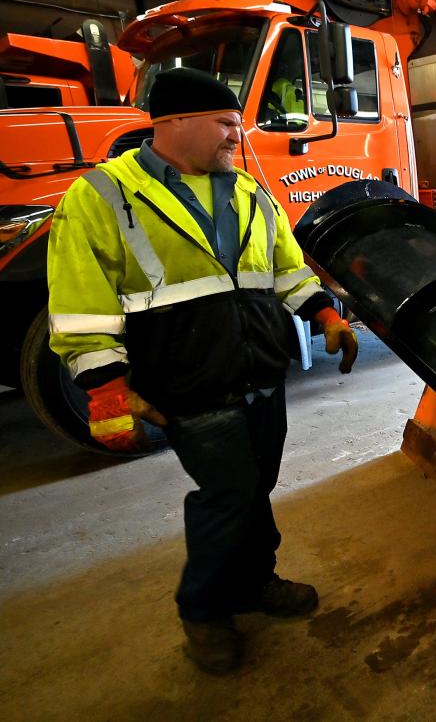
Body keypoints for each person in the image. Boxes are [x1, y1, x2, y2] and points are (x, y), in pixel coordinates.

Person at [46, 67, 358, 675]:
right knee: (229, 493)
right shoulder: (102, 196)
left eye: (235, 126)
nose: (234, 137)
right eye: (224, 124)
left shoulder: (248, 192)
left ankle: (254, 582)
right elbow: (82, 306)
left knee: (256, 487)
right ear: (174, 122)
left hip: (262, 372)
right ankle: (205, 609)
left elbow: (286, 269)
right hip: (189, 382)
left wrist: (324, 315)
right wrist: (107, 394)